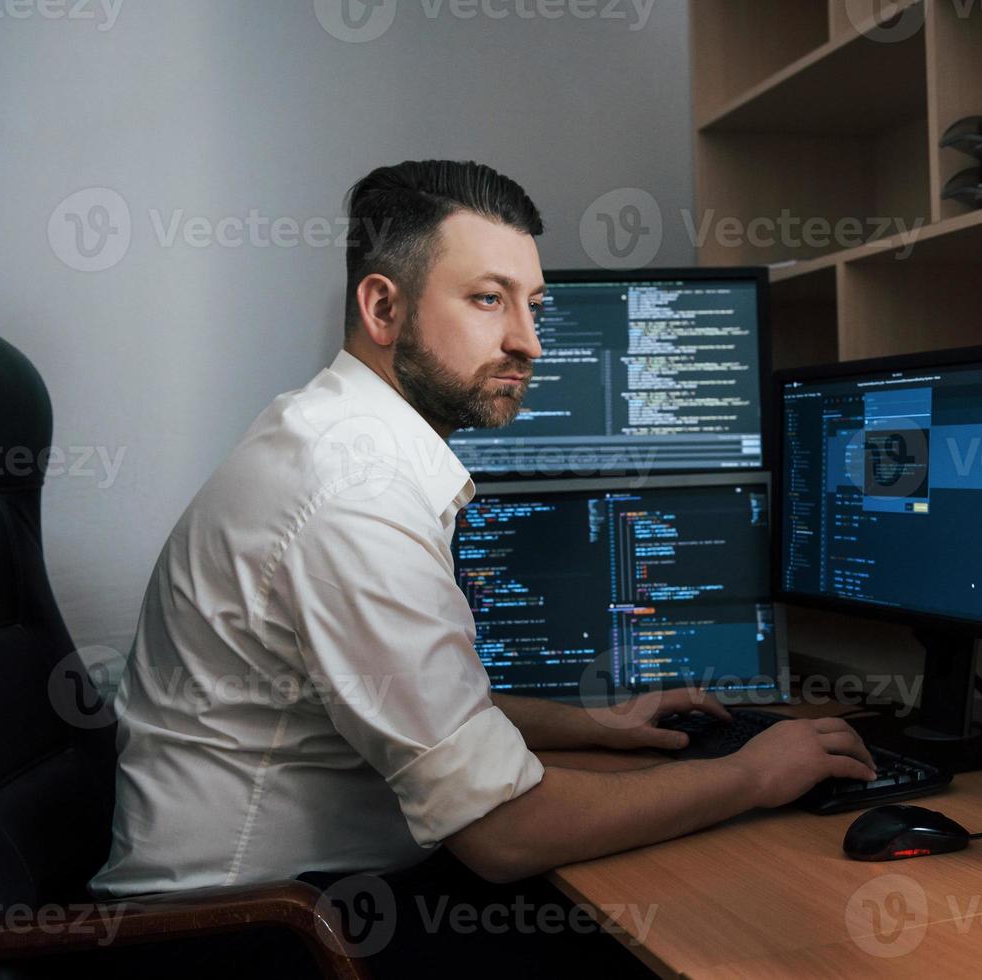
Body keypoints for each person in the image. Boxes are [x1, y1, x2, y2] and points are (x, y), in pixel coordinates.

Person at [88, 159, 876, 970]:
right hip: (243, 935)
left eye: (533, 307)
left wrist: (599, 726)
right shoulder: (354, 495)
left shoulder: (337, 440)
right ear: (383, 307)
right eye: (488, 299)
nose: (528, 343)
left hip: (294, 897)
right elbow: (506, 835)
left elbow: (412, 700)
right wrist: (754, 775)